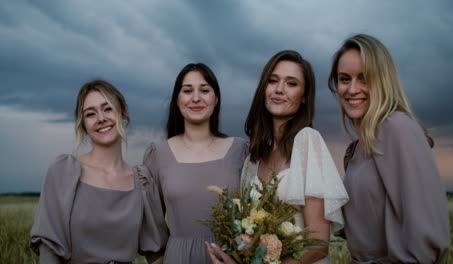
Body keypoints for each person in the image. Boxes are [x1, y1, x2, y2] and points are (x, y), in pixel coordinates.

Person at [208, 50, 349, 264]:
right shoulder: (252, 160)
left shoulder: (308, 140)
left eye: (291, 83)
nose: (279, 89)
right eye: (273, 81)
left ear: (304, 97)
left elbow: (319, 244)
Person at [328, 34, 450, 263]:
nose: (352, 89)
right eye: (345, 79)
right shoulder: (355, 150)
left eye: (364, 78)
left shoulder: (397, 127)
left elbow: (429, 234)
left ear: (383, 80)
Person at [30, 80, 167, 264]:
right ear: (83, 125)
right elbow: (49, 253)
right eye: (90, 114)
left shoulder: (142, 182)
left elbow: (157, 255)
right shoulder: (64, 172)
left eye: (108, 108)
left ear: (123, 113)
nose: (101, 118)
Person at [143, 63, 249, 263]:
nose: (196, 98)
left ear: (216, 99)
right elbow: (151, 222)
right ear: (177, 99)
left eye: (205, 90)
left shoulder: (241, 151)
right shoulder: (158, 154)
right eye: (187, 90)